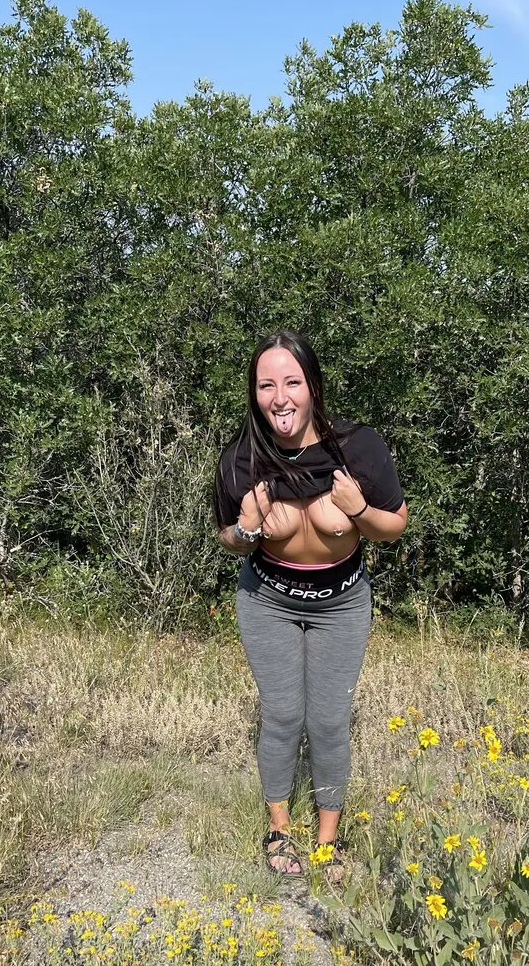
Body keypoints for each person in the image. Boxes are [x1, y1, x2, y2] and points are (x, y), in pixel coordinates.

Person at [212, 329, 407, 878]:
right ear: (254, 393)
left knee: (328, 720)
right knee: (282, 714)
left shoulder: (357, 448)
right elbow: (228, 538)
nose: (280, 398)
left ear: (313, 386)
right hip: (268, 600)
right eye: (266, 385)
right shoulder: (242, 458)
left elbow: (395, 526)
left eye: (292, 382)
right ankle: (278, 830)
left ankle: (327, 841)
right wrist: (248, 528)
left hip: (341, 603)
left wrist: (359, 509)